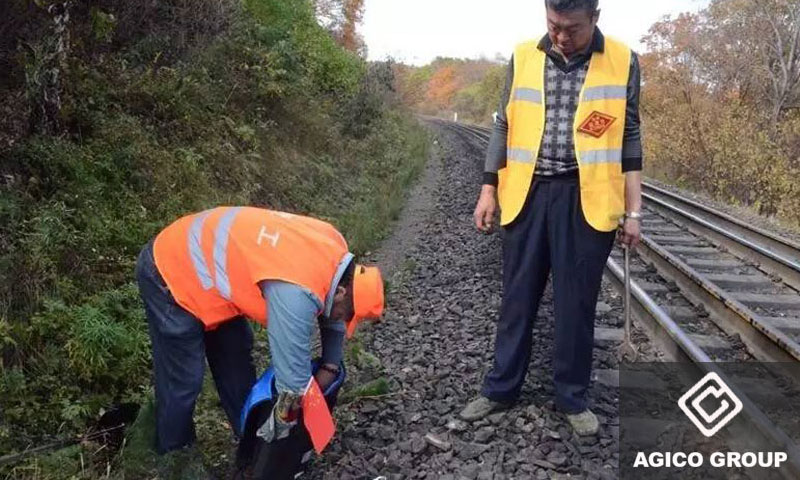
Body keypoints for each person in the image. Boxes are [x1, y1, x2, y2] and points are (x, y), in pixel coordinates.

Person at [461, 0, 643, 436]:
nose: (561, 36)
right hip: (527, 193)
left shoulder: (622, 61)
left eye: (572, 29)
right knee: (517, 298)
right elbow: (504, 124)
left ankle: (572, 396)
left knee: (576, 303)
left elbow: (630, 135)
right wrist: (489, 187)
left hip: (588, 198)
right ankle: (500, 389)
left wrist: (633, 211)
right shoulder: (524, 55)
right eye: (553, 25)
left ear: (596, 17)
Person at [134, 206, 384, 470]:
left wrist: (330, 366)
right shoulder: (295, 293)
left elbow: (333, 317)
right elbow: (293, 385)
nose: (341, 321)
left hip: (214, 281)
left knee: (236, 358)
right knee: (184, 381)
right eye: (346, 315)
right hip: (171, 270)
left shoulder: (336, 250)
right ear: (343, 292)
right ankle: (175, 459)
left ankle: (249, 443)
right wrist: (279, 430)